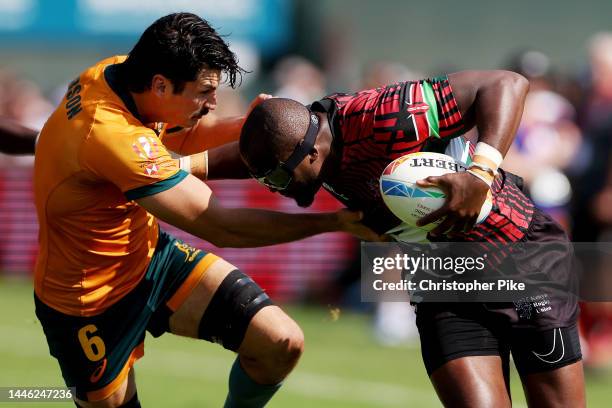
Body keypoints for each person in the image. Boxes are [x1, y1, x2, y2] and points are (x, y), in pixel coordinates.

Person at [33, 13, 378, 408]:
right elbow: (222, 226)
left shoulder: (119, 73)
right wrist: (333, 223)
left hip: (150, 261)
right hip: (85, 303)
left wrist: (250, 125)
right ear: (161, 84)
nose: (212, 103)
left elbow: (185, 132)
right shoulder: (111, 136)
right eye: (204, 92)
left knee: (279, 343)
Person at [238, 72, 585, 407]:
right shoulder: (299, 146)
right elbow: (249, 158)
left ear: (311, 152)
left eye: (279, 177)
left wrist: (480, 173)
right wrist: (188, 165)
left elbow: (506, 82)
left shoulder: (384, 115)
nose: (276, 188)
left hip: (520, 259)